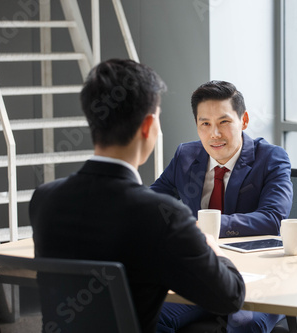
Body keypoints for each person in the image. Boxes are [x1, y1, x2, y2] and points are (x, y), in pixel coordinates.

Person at [29, 59, 245, 333]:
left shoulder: (45, 199)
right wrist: (211, 248)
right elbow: (230, 297)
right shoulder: (161, 216)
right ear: (148, 126)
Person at [151, 80, 293, 332]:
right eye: (205, 124)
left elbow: (273, 218)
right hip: (201, 274)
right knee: (150, 314)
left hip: (258, 279)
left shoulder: (271, 158)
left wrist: (201, 228)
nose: (214, 134)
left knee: (245, 325)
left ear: (244, 120)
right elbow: (153, 204)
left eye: (224, 122)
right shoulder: (186, 156)